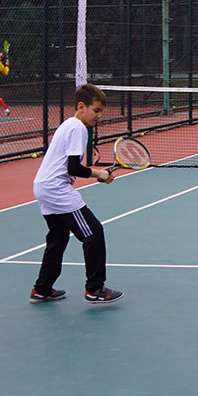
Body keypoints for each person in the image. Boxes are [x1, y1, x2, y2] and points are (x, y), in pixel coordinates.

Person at [29, 83, 122, 304]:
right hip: (56, 189)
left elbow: (71, 166)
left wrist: (96, 174)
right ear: (81, 106)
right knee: (93, 232)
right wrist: (98, 173)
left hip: (43, 186)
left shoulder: (68, 125)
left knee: (58, 238)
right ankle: (95, 289)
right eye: (96, 110)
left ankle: (42, 288)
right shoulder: (78, 128)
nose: (98, 116)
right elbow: (73, 168)